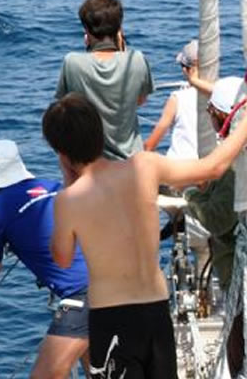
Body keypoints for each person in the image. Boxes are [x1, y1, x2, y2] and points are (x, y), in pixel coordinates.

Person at [42, 93, 247, 378]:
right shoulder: (145, 166)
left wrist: (68, 181)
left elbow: (62, 258)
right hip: (155, 313)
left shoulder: (67, 201)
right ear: (100, 134)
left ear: (61, 153)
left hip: (111, 318)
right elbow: (214, 167)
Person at [0, 139, 89, 379]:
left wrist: (0, 238)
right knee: (97, 369)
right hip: (110, 282)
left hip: (81, 296)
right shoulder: (54, 187)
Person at [186, 76, 243, 376]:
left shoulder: (234, 164)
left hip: (236, 271)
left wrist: (190, 196)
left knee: (238, 337)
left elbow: (218, 219)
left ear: (219, 115)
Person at [55, 0, 154, 160]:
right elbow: (139, 101)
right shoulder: (136, 59)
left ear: (87, 31)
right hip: (131, 164)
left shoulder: (72, 62)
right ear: (119, 29)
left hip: (91, 165)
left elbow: (65, 109)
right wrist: (122, 49)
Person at [144, 39, 212, 158]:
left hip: (179, 168)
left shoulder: (177, 99)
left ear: (186, 70)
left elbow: (150, 146)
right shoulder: (222, 94)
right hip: (211, 166)